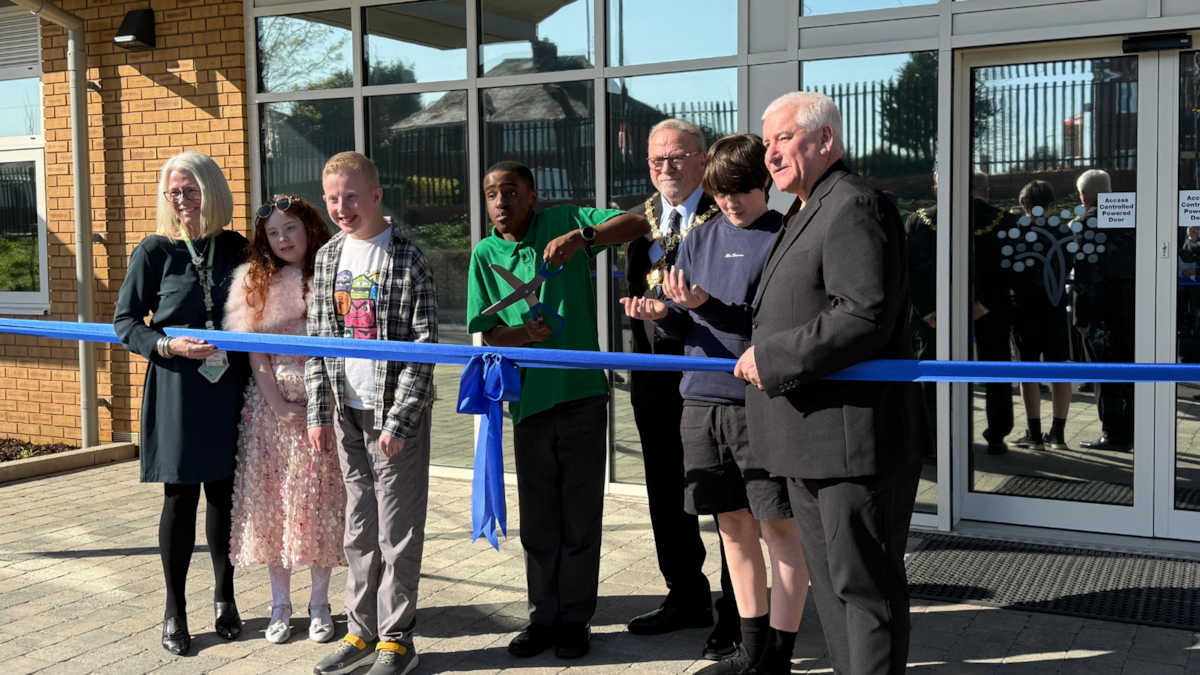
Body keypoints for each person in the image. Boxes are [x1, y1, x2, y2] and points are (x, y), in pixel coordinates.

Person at [738, 92, 929, 675]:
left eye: (783, 139)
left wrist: (772, 357)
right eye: (767, 143)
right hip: (812, 439)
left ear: (825, 140)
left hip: (852, 442)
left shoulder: (854, 204)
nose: (770, 155)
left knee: (863, 591)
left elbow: (862, 315)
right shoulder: (806, 209)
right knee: (832, 593)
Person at [621, 134, 809, 675]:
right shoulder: (699, 239)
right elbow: (687, 326)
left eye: (740, 190)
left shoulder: (784, 237)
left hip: (760, 403)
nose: (730, 202)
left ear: (765, 184)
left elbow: (773, 329)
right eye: (720, 192)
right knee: (731, 526)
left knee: (778, 528)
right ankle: (748, 649)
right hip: (700, 401)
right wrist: (663, 315)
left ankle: (778, 654)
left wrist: (705, 306)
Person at [467, 160, 649, 660]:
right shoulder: (485, 254)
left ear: (532, 195)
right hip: (528, 405)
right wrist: (524, 334)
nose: (500, 202)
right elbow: (489, 332)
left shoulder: (564, 219)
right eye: (491, 194)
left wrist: (582, 237)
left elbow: (643, 220)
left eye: (510, 191)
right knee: (540, 522)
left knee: (581, 517)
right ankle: (543, 617)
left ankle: (575, 621)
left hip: (582, 395)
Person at [307, 152, 438, 675]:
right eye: (332, 199)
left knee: (396, 534)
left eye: (352, 196)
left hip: (392, 417)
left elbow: (425, 347)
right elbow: (318, 341)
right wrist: (319, 412)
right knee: (358, 531)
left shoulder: (407, 258)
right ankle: (360, 634)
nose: (341, 208)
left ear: (377, 196)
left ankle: (397, 641)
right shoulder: (327, 257)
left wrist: (400, 421)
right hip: (347, 414)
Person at [113, 151, 249, 656]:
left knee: (223, 495)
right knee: (180, 498)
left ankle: (225, 596)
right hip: (177, 386)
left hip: (228, 385)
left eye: (191, 190)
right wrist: (168, 345)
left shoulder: (235, 247)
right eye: (174, 192)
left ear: (211, 192)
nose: (182, 200)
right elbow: (126, 322)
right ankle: (175, 609)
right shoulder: (155, 251)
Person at [623, 118, 739, 660]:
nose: (665, 168)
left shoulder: (729, 215)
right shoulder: (638, 223)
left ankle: (738, 610)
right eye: (656, 160)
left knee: (727, 499)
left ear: (702, 159)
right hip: (655, 379)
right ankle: (686, 594)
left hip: (713, 378)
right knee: (667, 491)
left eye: (676, 157)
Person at [224, 194, 343, 645]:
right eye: (273, 233)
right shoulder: (254, 282)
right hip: (270, 413)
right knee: (275, 506)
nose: (282, 239)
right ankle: (279, 605)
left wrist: (319, 406)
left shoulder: (331, 275)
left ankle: (320, 604)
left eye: (290, 228)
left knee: (318, 505)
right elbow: (256, 354)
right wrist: (277, 404)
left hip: (322, 408)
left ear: (309, 228)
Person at [1008, 180, 1074, 452]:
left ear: (1024, 205)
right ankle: (1058, 434)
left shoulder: (1016, 233)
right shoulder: (1064, 232)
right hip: (1055, 307)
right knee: (1060, 368)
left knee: (1028, 370)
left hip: (1024, 310)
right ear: (1051, 205)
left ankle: (1033, 434)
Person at [1073, 169, 1135, 452]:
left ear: (1083, 195)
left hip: (1102, 313)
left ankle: (1113, 434)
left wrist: (1081, 317)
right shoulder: (1132, 216)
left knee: (1105, 374)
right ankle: (1135, 429)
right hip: (1134, 309)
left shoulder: (1086, 223)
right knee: (1134, 372)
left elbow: (1085, 275)